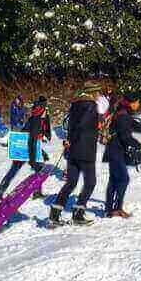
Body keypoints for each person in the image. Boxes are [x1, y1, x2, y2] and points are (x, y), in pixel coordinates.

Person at [50, 82, 103, 226]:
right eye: (97, 92)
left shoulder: (74, 105)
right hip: (85, 150)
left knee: (71, 182)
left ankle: (54, 214)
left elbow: (69, 125)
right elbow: (82, 125)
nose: (98, 95)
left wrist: (69, 141)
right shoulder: (91, 106)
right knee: (90, 183)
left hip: (72, 149)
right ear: (92, 92)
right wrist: (97, 122)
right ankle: (78, 214)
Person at [104, 90, 141, 218]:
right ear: (131, 103)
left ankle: (110, 209)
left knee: (114, 179)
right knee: (123, 179)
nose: (138, 105)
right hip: (116, 150)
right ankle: (116, 208)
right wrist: (140, 146)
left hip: (114, 149)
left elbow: (134, 125)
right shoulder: (123, 115)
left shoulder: (123, 112)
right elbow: (125, 136)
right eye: (136, 102)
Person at [0, 96, 52, 201]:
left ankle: (0, 191)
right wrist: (39, 153)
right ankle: (0, 192)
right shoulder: (37, 119)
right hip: (26, 148)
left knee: (19, 169)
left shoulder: (36, 116)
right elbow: (31, 137)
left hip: (27, 146)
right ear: (42, 108)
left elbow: (29, 134)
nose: (47, 111)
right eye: (45, 108)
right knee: (37, 169)